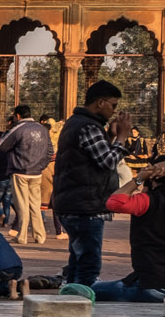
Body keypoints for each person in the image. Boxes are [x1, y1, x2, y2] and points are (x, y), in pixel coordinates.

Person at [51, 79, 138, 291]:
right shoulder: (88, 126)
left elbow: (91, 156)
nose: (113, 110)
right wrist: (123, 138)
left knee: (78, 261)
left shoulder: (79, 123)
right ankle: (82, 304)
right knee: (88, 264)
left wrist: (110, 136)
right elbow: (107, 161)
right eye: (113, 105)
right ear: (100, 102)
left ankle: (72, 301)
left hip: (75, 202)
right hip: (84, 205)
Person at [93, 161, 165, 302]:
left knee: (85, 291)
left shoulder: (149, 201)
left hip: (152, 286)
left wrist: (139, 178)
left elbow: (115, 202)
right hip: (152, 283)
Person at [0, 105, 52, 245]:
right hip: (37, 172)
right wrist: (41, 165)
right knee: (35, 205)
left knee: (22, 205)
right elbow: (50, 151)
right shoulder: (42, 129)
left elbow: (2, 145)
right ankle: (39, 235)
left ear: (18, 116)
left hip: (20, 172)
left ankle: (22, 236)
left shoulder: (18, 129)